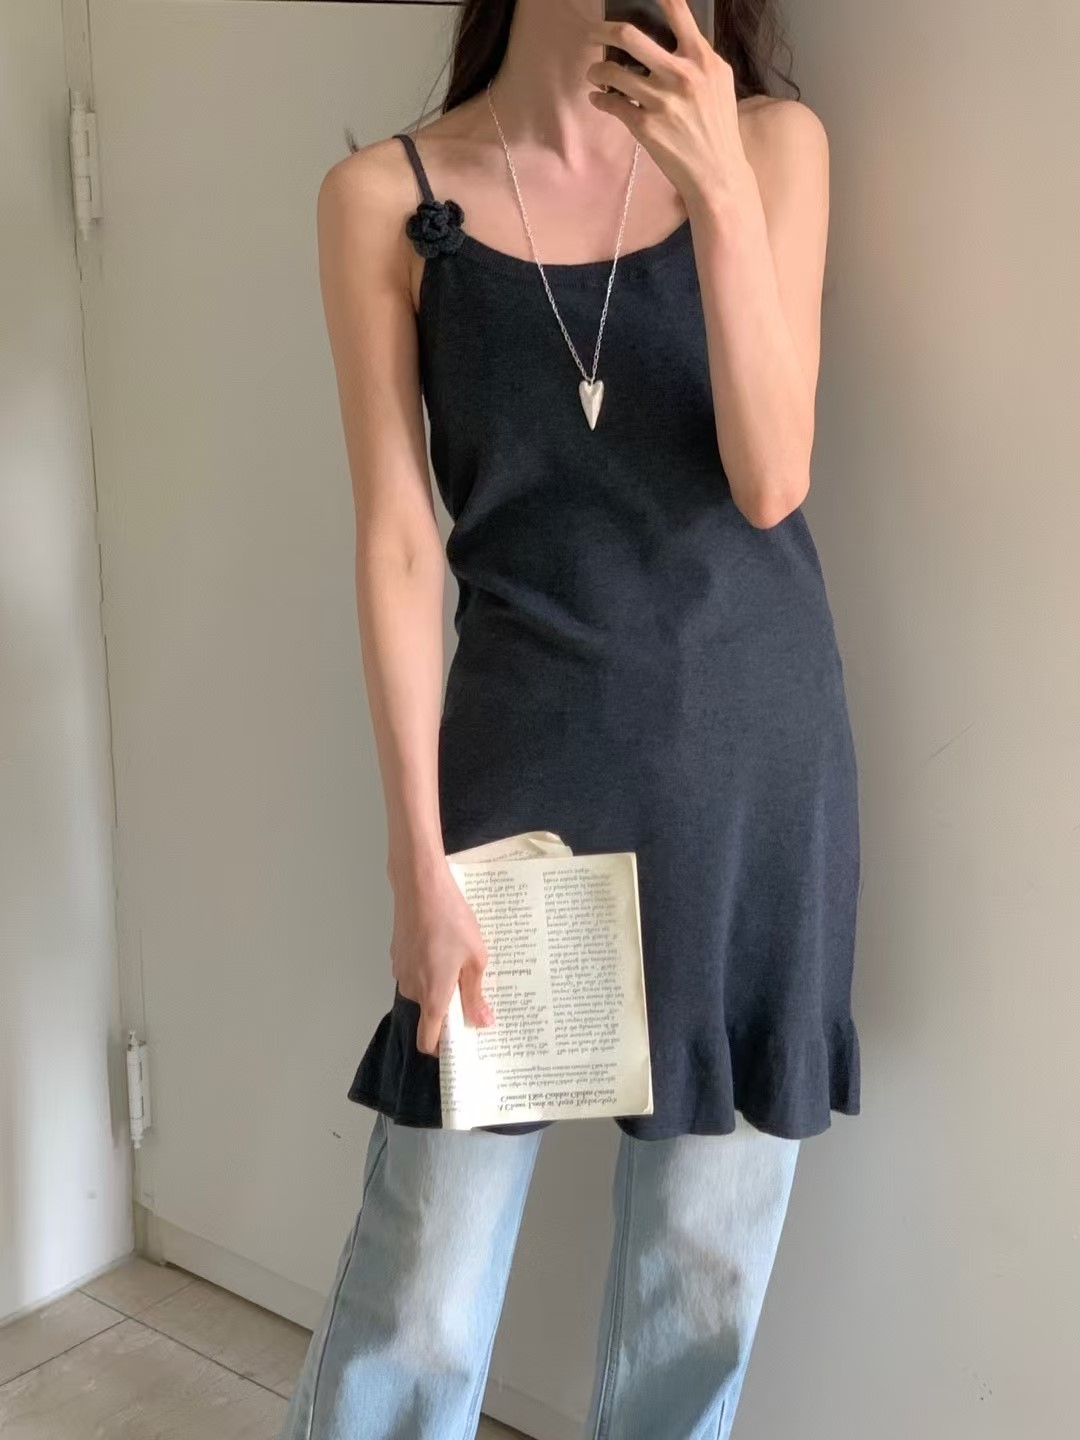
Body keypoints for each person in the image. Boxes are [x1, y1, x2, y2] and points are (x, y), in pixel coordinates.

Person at [283, 0, 861, 1435]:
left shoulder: (774, 147)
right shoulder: (385, 200)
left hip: (751, 776)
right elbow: (400, 545)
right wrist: (416, 861)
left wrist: (714, 180)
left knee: (699, 1286)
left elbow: (773, 476)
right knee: (422, 1281)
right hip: (524, 787)